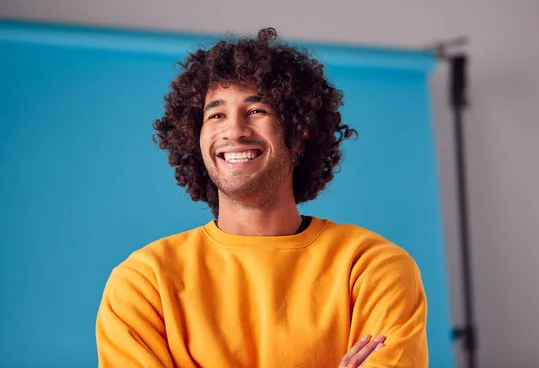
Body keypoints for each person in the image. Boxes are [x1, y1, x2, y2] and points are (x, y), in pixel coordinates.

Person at [96, 28, 428, 367]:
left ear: (299, 132)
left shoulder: (372, 268)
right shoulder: (145, 282)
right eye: (216, 115)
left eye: (257, 111)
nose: (234, 130)